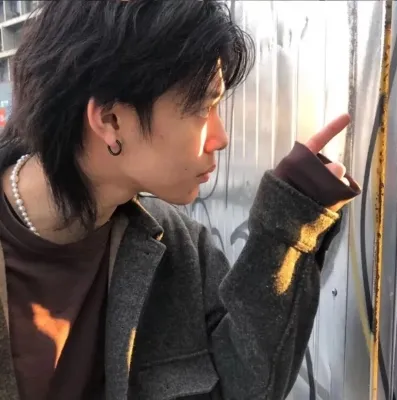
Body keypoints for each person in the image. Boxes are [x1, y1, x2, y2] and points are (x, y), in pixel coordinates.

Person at [0, 1, 361, 400]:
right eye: (204, 108)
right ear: (110, 120)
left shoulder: (178, 247)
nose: (220, 138)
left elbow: (241, 387)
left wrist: (289, 221)